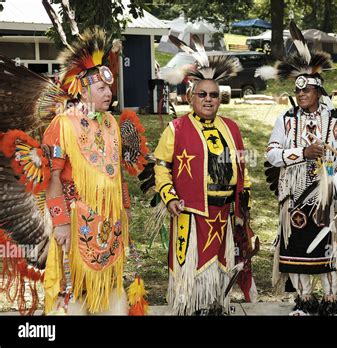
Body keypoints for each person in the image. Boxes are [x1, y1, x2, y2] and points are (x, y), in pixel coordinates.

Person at [257, 22, 337, 315]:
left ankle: (331, 302)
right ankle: (304, 300)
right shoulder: (286, 119)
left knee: (331, 248)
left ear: (318, 90)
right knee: (298, 247)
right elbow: (271, 153)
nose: (301, 94)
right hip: (295, 195)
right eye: (297, 90)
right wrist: (301, 152)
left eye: (307, 90)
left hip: (332, 196)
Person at [154, 34, 254, 315]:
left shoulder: (231, 128)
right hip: (191, 212)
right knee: (192, 268)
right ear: (190, 97)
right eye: (203, 94)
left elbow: (241, 167)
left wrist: (242, 204)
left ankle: (215, 306)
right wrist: (169, 196)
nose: (209, 99)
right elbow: (161, 165)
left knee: (221, 264)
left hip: (223, 214)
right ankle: (192, 308)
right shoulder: (177, 128)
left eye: (214, 95)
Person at [41, 28, 133, 315]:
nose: (110, 93)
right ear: (83, 90)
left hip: (109, 221)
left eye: (111, 87)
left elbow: (116, 171)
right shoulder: (61, 125)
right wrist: (61, 223)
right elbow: (51, 178)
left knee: (111, 294)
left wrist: (125, 209)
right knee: (74, 297)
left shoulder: (110, 123)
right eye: (102, 88)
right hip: (75, 218)